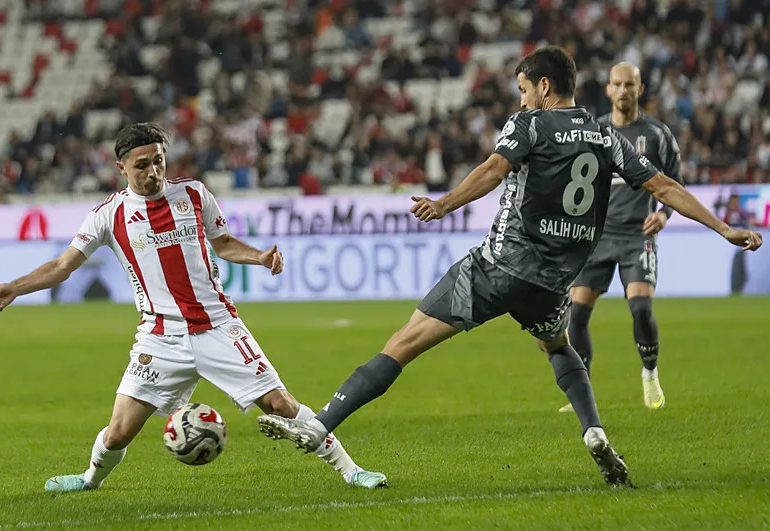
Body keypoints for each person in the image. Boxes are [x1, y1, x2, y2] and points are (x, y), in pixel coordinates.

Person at [255, 47, 763, 486]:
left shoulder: (530, 124)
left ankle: (320, 426)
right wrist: (724, 229)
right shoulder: (604, 136)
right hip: (552, 283)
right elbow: (664, 187)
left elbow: (495, 169)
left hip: (498, 266)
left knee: (403, 343)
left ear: (544, 87)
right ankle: (594, 432)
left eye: (523, 90)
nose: (521, 100)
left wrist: (445, 204)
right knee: (558, 347)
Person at [0, 123, 388, 492]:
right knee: (119, 432)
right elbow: (62, 266)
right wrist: (15, 288)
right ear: (121, 168)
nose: (153, 172)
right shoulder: (109, 215)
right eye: (142, 165)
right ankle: (89, 479)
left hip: (217, 327)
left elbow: (223, 243)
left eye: (158, 161)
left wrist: (260, 257)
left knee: (280, 404)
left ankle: (352, 471)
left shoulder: (193, 193)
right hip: (160, 337)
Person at [564, 63, 683, 412]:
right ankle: (582, 391)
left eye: (630, 84)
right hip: (596, 237)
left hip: (636, 235)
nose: (623, 91)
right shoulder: (593, 131)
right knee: (576, 315)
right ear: (608, 89)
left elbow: (675, 184)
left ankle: (650, 373)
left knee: (641, 309)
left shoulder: (658, 135)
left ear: (640, 89)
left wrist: (663, 214)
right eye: (617, 84)